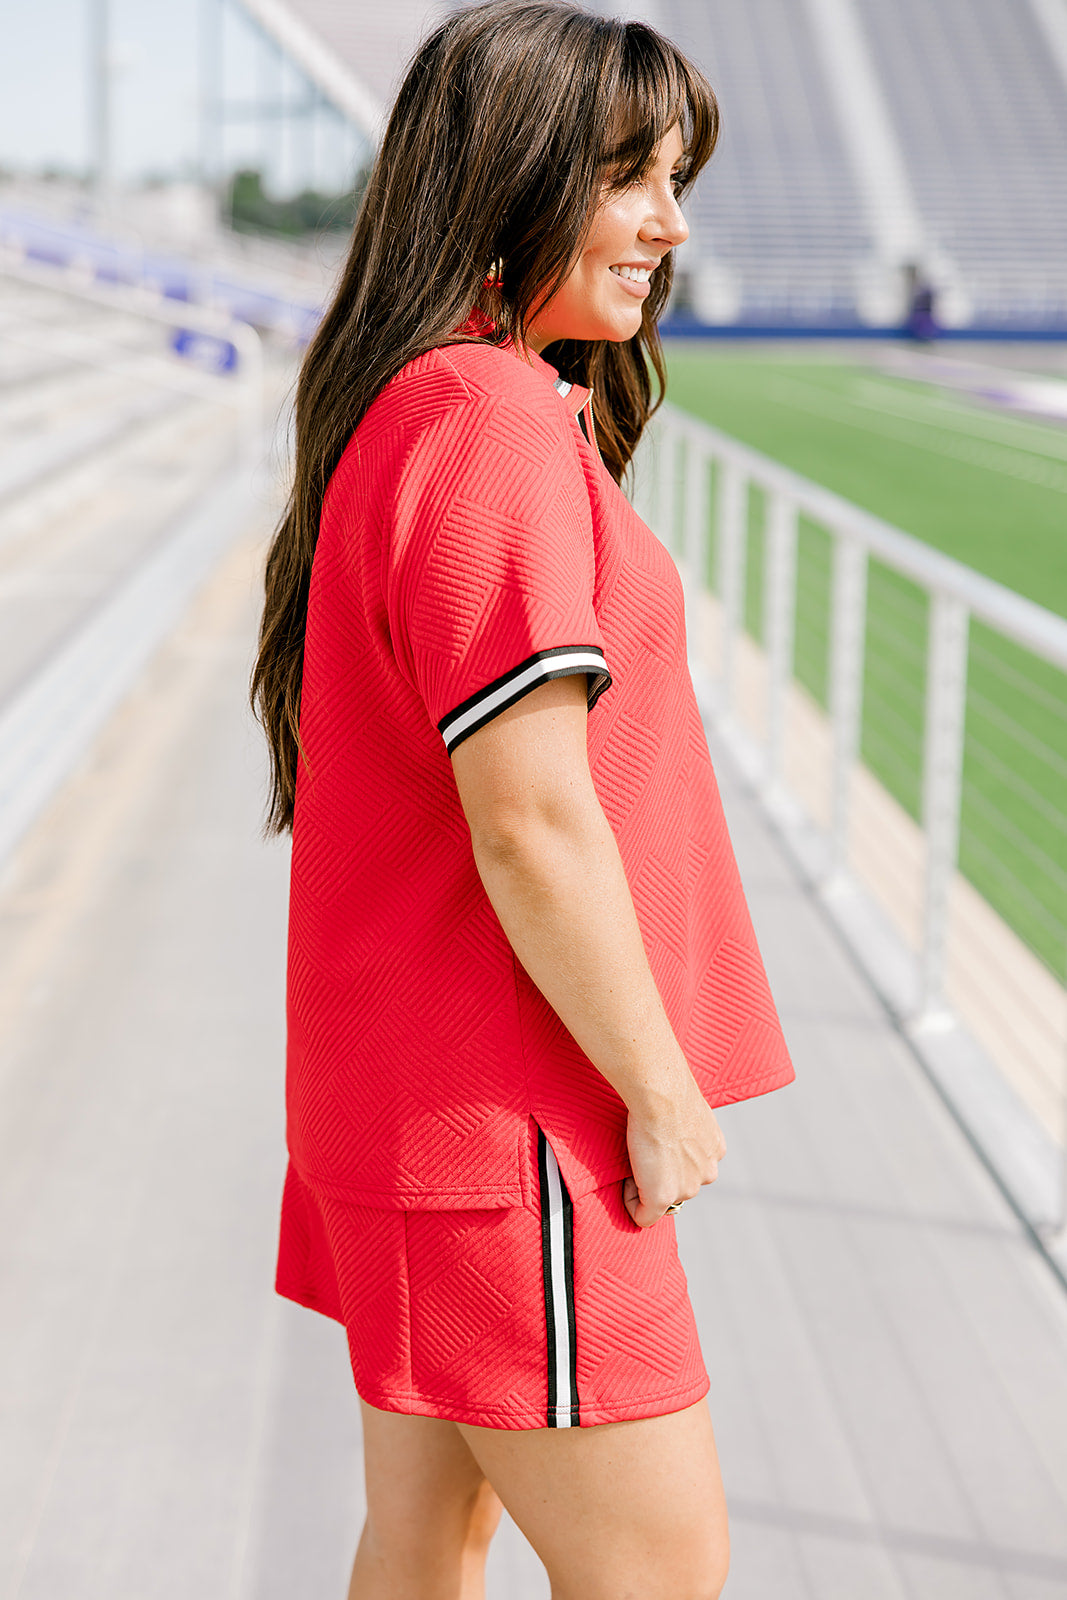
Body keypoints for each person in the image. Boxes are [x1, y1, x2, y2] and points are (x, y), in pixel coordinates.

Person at [251, 5, 795, 1596]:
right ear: (513, 174)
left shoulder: (427, 404)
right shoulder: (485, 422)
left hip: (425, 1125)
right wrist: (660, 1084)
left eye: (675, 176)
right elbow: (530, 816)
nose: (668, 223)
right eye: (628, 176)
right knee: (660, 1577)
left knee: (428, 1545)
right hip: (515, 1135)